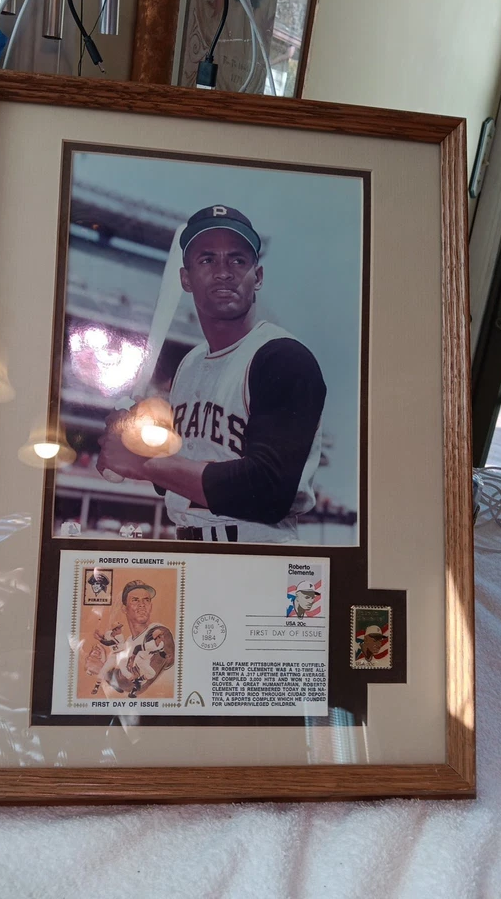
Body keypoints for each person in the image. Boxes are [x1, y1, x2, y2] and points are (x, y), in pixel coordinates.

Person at [96, 205, 327, 543]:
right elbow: (181, 473)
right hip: (187, 545)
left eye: (237, 260)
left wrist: (143, 465)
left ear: (258, 277)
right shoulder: (188, 365)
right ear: (185, 279)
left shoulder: (283, 357)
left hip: (258, 548)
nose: (223, 272)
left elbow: (269, 490)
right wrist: (135, 442)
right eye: (207, 260)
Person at [88, 579, 174, 698]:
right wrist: (103, 657)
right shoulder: (129, 641)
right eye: (135, 600)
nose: (142, 604)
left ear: (150, 606)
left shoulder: (160, 633)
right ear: (124, 609)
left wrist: (101, 669)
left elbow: (129, 684)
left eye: (146, 600)